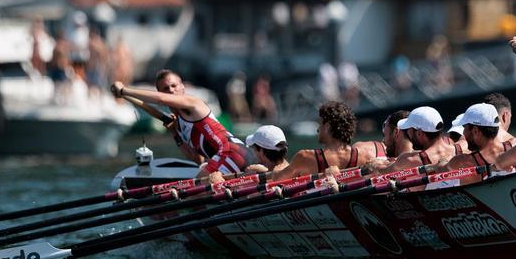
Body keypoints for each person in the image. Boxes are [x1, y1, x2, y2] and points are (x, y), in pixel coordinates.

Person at [112, 70, 250, 183]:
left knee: (195, 188)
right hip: (229, 157)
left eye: (174, 86)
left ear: (182, 88)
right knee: (198, 187)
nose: (171, 90)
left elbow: (161, 99)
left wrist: (124, 91)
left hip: (231, 151)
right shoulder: (178, 124)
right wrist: (175, 134)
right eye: (166, 88)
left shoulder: (193, 104)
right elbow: (197, 159)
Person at [269, 101, 365, 180]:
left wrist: (279, 168)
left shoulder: (305, 157)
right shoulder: (364, 156)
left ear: (327, 127)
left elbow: (277, 179)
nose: (318, 129)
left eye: (320, 124)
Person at [427, 103, 512, 188]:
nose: (463, 133)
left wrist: (443, 161)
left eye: (465, 128)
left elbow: (439, 169)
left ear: (475, 131)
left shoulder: (461, 162)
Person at [381, 106, 462, 173]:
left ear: (419, 133)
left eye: (409, 129)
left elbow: (382, 170)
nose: (408, 132)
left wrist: (375, 165)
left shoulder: (410, 160)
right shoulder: (463, 149)